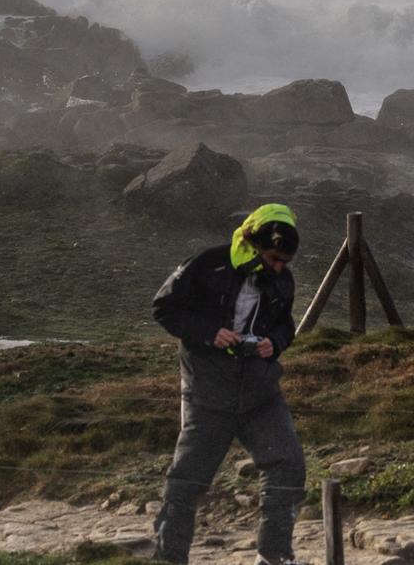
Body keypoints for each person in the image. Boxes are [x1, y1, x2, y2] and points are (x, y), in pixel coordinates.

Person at [151, 203, 304, 565]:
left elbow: (286, 324)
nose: (279, 267)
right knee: (187, 481)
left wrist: (276, 342)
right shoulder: (207, 264)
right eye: (273, 258)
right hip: (208, 393)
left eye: (285, 261)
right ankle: (169, 559)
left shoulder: (283, 280)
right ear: (253, 243)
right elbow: (164, 308)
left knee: (289, 465)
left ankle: (274, 556)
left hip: (261, 393)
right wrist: (208, 333)